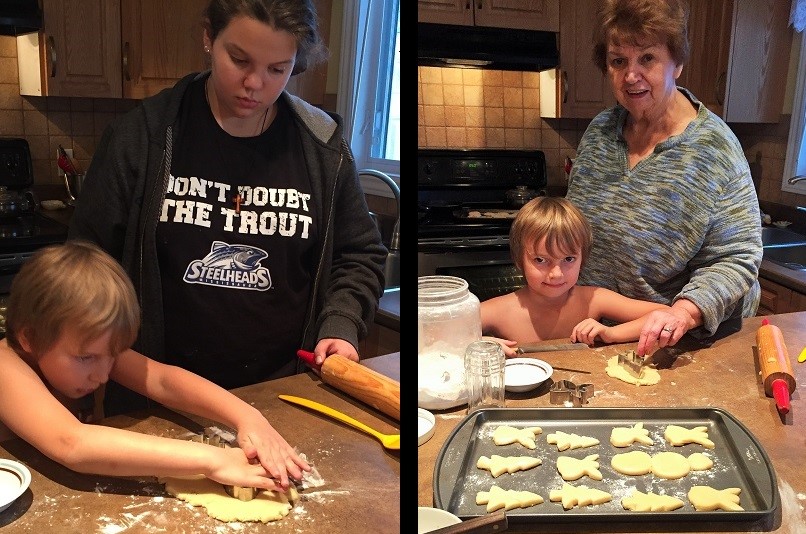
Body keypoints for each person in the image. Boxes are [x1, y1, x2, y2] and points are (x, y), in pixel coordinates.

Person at [67, 0, 386, 417]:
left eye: (278, 69)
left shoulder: (322, 147)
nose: (254, 83)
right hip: (156, 397)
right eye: (239, 59)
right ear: (207, 37)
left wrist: (342, 324)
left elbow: (359, 254)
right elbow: (88, 261)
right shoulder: (142, 136)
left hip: (284, 395)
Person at [0, 241, 309, 490]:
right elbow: (72, 443)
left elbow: (161, 380)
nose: (104, 373)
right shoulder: (5, 366)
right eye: (86, 358)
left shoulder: (80, 344)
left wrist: (247, 416)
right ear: (29, 338)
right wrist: (214, 460)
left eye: (113, 355)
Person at [566, 0, 762, 356]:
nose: (630, 75)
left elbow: (736, 257)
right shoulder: (599, 133)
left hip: (675, 344)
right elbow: (573, 233)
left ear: (677, 63)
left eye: (647, 58)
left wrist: (683, 314)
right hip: (597, 335)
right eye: (618, 61)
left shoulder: (713, 148)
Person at [482, 197, 670, 357]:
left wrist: (611, 333)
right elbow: (451, 330)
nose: (556, 274)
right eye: (540, 260)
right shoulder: (499, 310)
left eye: (569, 259)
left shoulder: (593, 299)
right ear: (518, 259)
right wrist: (477, 343)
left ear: (583, 258)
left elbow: (665, 315)